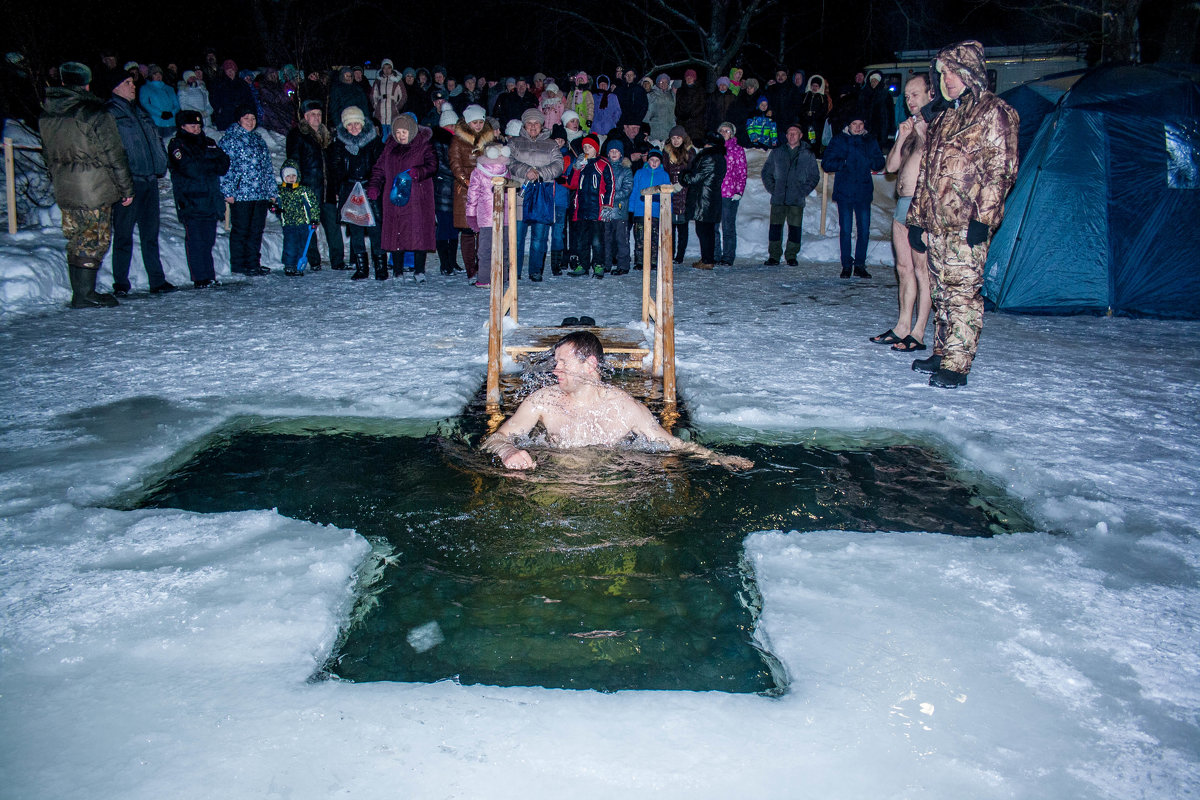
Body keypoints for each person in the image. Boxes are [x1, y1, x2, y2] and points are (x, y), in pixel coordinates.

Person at [908, 40, 1019, 388]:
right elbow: (927, 174)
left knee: (962, 293)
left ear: (972, 73)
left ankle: (957, 364)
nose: (949, 79)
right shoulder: (945, 117)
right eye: (943, 74)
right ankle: (943, 351)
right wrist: (917, 220)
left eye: (955, 72)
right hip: (938, 224)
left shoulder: (994, 112)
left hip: (966, 224)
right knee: (941, 291)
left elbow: (1000, 171)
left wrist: (983, 220)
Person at [483, 331, 753, 471]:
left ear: (589, 364)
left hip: (609, 496)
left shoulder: (625, 408)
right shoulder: (543, 401)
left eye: (562, 363)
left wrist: (718, 457)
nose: (555, 370)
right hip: (553, 490)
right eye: (556, 363)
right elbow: (495, 439)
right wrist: (508, 452)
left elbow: (671, 444)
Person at [40, 61, 133, 308]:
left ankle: (81, 292)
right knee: (94, 238)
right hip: (93, 187)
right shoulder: (93, 112)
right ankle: (85, 294)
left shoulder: (48, 114)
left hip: (65, 185)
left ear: (62, 82)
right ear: (87, 83)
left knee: (76, 236)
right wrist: (126, 187)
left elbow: (48, 154)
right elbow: (113, 153)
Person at [874, 74, 935, 352]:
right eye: (907, 96)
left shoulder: (939, 124)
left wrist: (922, 134)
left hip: (922, 205)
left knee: (923, 270)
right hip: (902, 204)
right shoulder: (907, 126)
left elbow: (939, 166)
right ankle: (902, 327)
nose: (910, 100)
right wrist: (903, 137)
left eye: (915, 94)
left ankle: (919, 332)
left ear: (930, 94)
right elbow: (891, 167)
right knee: (903, 268)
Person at [106, 73, 173, 295]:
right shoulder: (111, 113)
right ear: (115, 87)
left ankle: (157, 280)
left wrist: (160, 163)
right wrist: (120, 181)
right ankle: (121, 283)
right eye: (127, 83)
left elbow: (154, 140)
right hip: (129, 180)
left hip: (149, 179)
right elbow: (110, 150)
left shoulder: (139, 112)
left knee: (150, 234)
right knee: (124, 234)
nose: (132, 86)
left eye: (133, 82)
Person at [367, 114, 437, 282]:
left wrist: (418, 172)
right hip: (394, 197)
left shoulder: (424, 145)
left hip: (417, 198)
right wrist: (374, 186)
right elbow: (379, 169)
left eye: (404, 131)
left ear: (411, 130)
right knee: (396, 232)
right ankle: (397, 271)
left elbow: (433, 165)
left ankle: (419, 271)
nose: (401, 135)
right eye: (397, 132)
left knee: (418, 232)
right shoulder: (389, 147)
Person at [167, 109, 229, 288]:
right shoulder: (178, 145)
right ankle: (200, 277)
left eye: (198, 125)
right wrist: (210, 164)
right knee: (196, 240)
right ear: (182, 126)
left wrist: (205, 163)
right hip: (191, 199)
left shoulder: (208, 142)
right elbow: (190, 168)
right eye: (192, 126)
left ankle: (209, 274)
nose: (196, 129)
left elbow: (224, 163)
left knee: (208, 239)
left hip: (210, 198)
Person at [822, 113, 885, 278]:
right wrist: (842, 163)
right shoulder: (839, 140)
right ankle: (846, 265)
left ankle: (860, 265)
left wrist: (870, 161)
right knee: (846, 230)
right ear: (848, 125)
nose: (858, 127)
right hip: (845, 191)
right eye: (854, 124)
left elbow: (880, 162)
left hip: (863, 192)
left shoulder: (869, 141)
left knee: (864, 230)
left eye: (860, 124)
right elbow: (826, 163)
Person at [219, 105, 276, 275]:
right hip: (241, 193)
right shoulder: (230, 140)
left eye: (252, 118)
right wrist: (228, 190)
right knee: (241, 229)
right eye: (246, 118)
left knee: (256, 229)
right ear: (239, 120)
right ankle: (238, 264)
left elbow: (267, 167)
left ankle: (253, 262)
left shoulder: (259, 139)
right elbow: (225, 168)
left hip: (260, 193)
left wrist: (272, 191)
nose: (250, 122)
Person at [328, 106, 384, 280]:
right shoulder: (339, 145)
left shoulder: (374, 142)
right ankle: (362, 267)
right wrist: (339, 188)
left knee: (375, 229)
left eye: (356, 124)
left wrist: (376, 186)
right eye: (349, 125)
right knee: (356, 230)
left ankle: (380, 266)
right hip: (350, 190)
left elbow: (380, 167)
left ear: (362, 124)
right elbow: (335, 170)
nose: (353, 128)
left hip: (370, 189)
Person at [509, 108, 564, 281]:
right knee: (517, 236)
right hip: (520, 194)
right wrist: (526, 171)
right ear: (524, 125)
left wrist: (540, 172)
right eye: (529, 123)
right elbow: (508, 161)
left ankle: (535, 270)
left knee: (539, 236)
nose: (533, 126)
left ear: (542, 125)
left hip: (542, 193)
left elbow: (559, 165)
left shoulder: (551, 144)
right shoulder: (515, 142)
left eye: (536, 123)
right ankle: (514, 271)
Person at [286, 100, 342, 270]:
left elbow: (334, 165)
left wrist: (336, 187)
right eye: (312, 114)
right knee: (309, 227)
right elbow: (293, 161)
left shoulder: (328, 136)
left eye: (318, 114)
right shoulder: (298, 135)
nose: (316, 117)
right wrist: (296, 186)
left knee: (333, 226)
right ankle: (314, 261)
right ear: (305, 116)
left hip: (328, 190)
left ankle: (338, 261)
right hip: (308, 189)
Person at [760, 123, 820, 266]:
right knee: (775, 228)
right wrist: (773, 188)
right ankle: (774, 256)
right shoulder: (777, 152)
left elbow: (814, 176)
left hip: (796, 199)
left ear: (800, 136)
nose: (792, 135)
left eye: (795, 133)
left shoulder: (807, 154)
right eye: (789, 133)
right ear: (786, 136)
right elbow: (766, 172)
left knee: (794, 229)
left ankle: (791, 255)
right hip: (778, 198)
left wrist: (803, 191)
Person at [450, 104, 495, 284]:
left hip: (486, 189)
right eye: (474, 122)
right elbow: (455, 164)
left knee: (483, 231)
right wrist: (468, 181)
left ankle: (483, 267)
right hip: (466, 190)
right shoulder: (458, 141)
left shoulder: (488, 139)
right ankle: (471, 270)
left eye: (480, 122)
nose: (478, 125)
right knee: (468, 231)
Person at [464, 142, 511, 288]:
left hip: (486, 218)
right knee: (503, 248)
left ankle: (484, 279)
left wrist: (471, 217)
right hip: (504, 217)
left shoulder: (478, 172)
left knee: (485, 250)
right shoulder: (506, 170)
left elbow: (472, 196)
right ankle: (502, 277)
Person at [567, 134, 612, 278]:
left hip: (597, 209)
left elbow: (611, 185)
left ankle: (598, 265)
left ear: (596, 149)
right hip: (581, 209)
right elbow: (572, 184)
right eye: (584, 147)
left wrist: (607, 205)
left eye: (590, 147)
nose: (586, 149)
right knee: (581, 240)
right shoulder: (581, 163)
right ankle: (583, 265)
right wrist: (576, 168)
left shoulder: (603, 164)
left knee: (597, 240)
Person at [273, 161, 320, 276]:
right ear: (284, 177)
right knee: (290, 245)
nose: (291, 178)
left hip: (303, 223)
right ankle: (289, 265)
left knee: (302, 245)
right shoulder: (281, 192)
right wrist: (275, 209)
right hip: (289, 224)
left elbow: (313, 205)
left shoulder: (303, 191)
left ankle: (299, 264)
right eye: (288, 176)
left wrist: (314, 219)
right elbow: (275, 204)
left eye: (293, 176)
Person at [630, 148, 669, 271]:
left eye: (657, 161)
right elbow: (634, 191)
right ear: (648, 160)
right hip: (640, 211)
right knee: (640, 237)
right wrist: (631, 209)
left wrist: (667, 211)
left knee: (654, 238)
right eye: (652, 160)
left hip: (656, 212)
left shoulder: (664, 175)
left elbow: (668, 193)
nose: (654, 163)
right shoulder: (640, 173)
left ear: (660, 162)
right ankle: (640, 261)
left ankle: (653, 261)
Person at [715, 121, 746, 266]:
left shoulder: (737, 150)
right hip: (714, 193)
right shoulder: (714, 148)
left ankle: (728, 256)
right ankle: (714, 255)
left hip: (729, 194)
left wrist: (739, 190)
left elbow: (742, 172)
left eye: (727, 131)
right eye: (722, 130)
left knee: (728, 226)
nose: (724, 133)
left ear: (732, 133)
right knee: (713, 226)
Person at [600, 140, 633, 275]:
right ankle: (606, 263)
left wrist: (610, 196)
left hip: (620, 211)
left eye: (616, 151)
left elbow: (627, 189)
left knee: (621, 239)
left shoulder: (626, 170)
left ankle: (623, 265)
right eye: (611, 151)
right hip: (606, 211)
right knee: (606, 239)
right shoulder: (603, 168)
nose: (614, 153)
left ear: (621, 154)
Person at [662, 126, 693, 263]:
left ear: (683, 138)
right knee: (671, 225)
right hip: (670, 192)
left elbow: (692, 172)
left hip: (685, 192)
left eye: (678, 138)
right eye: (673, 138)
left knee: (682, 225)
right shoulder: (666, 152)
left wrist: (682, 183)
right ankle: (670, 252)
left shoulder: (690, 152)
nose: (675, 141)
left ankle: (680, 255)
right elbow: (664, 170)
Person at [139, 65, 179, 144]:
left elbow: (177, 104)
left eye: (160, 74)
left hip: (171, 122)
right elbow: (145, 104)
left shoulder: (169, 88)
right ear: (151, 76)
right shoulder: (145, 88)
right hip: (157, 122)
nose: (158, 76)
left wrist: (172, 113)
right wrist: (160, 113)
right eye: (155, 74)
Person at [372, 59, 406, 141]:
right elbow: (373, 95)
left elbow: (403, 96)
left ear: (392, 68)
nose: (387, 70)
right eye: (384, 68)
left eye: (389, 68)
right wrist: (376, 106)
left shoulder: (397, 81)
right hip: (380, 115)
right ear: (382, 69)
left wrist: (397, 107)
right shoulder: (378, 80)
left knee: (392, 139)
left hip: (393, 115)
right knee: (381, 138)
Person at [674, 69, 706, 143]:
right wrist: (681, 114)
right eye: (687, 77)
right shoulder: (680, 90)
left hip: (695, 123)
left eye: (691, 77)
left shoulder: (700, 90)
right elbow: (677, 105)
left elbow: (702, 104)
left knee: (695, 143)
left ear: (694, 79)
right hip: (682, 122)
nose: (689, 79)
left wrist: (693, 114)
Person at [645, 73, 676, 144]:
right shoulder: (651, 95)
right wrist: (645, 128)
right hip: (655, 130)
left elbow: (673, 111)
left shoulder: (671, 95)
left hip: (669, 130)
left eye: (666, 82)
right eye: (661, 82)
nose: (663, 84)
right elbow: (647, 113)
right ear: (657, 83)